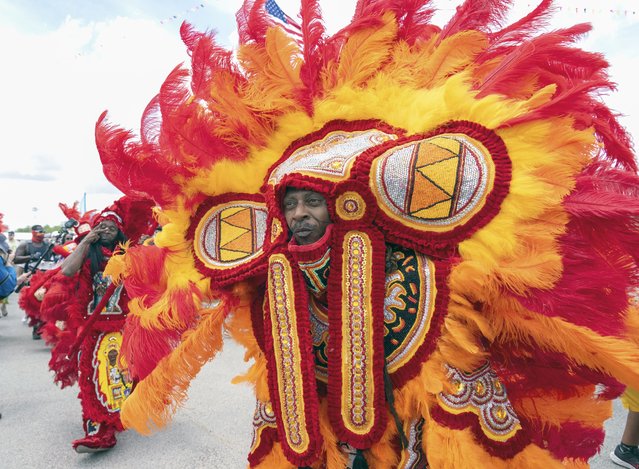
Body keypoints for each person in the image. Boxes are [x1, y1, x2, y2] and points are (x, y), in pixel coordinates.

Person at [94, 1, 639, 467]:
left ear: (346, 205)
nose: (302, 214)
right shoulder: (267, 272)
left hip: (421, 411)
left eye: (314, 201)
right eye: (292, 203)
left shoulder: (431, 270)